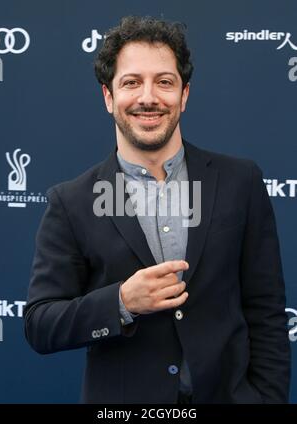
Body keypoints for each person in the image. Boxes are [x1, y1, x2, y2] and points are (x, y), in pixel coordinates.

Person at [24, 16, 291, 404]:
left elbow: (266, 310)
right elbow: (40, 325)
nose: (148, 97)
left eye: (164, 82)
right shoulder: (72, 201)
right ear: (108, 97)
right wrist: (122, 302)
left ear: (183, 95)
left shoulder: (241, 181)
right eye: (131, 82)